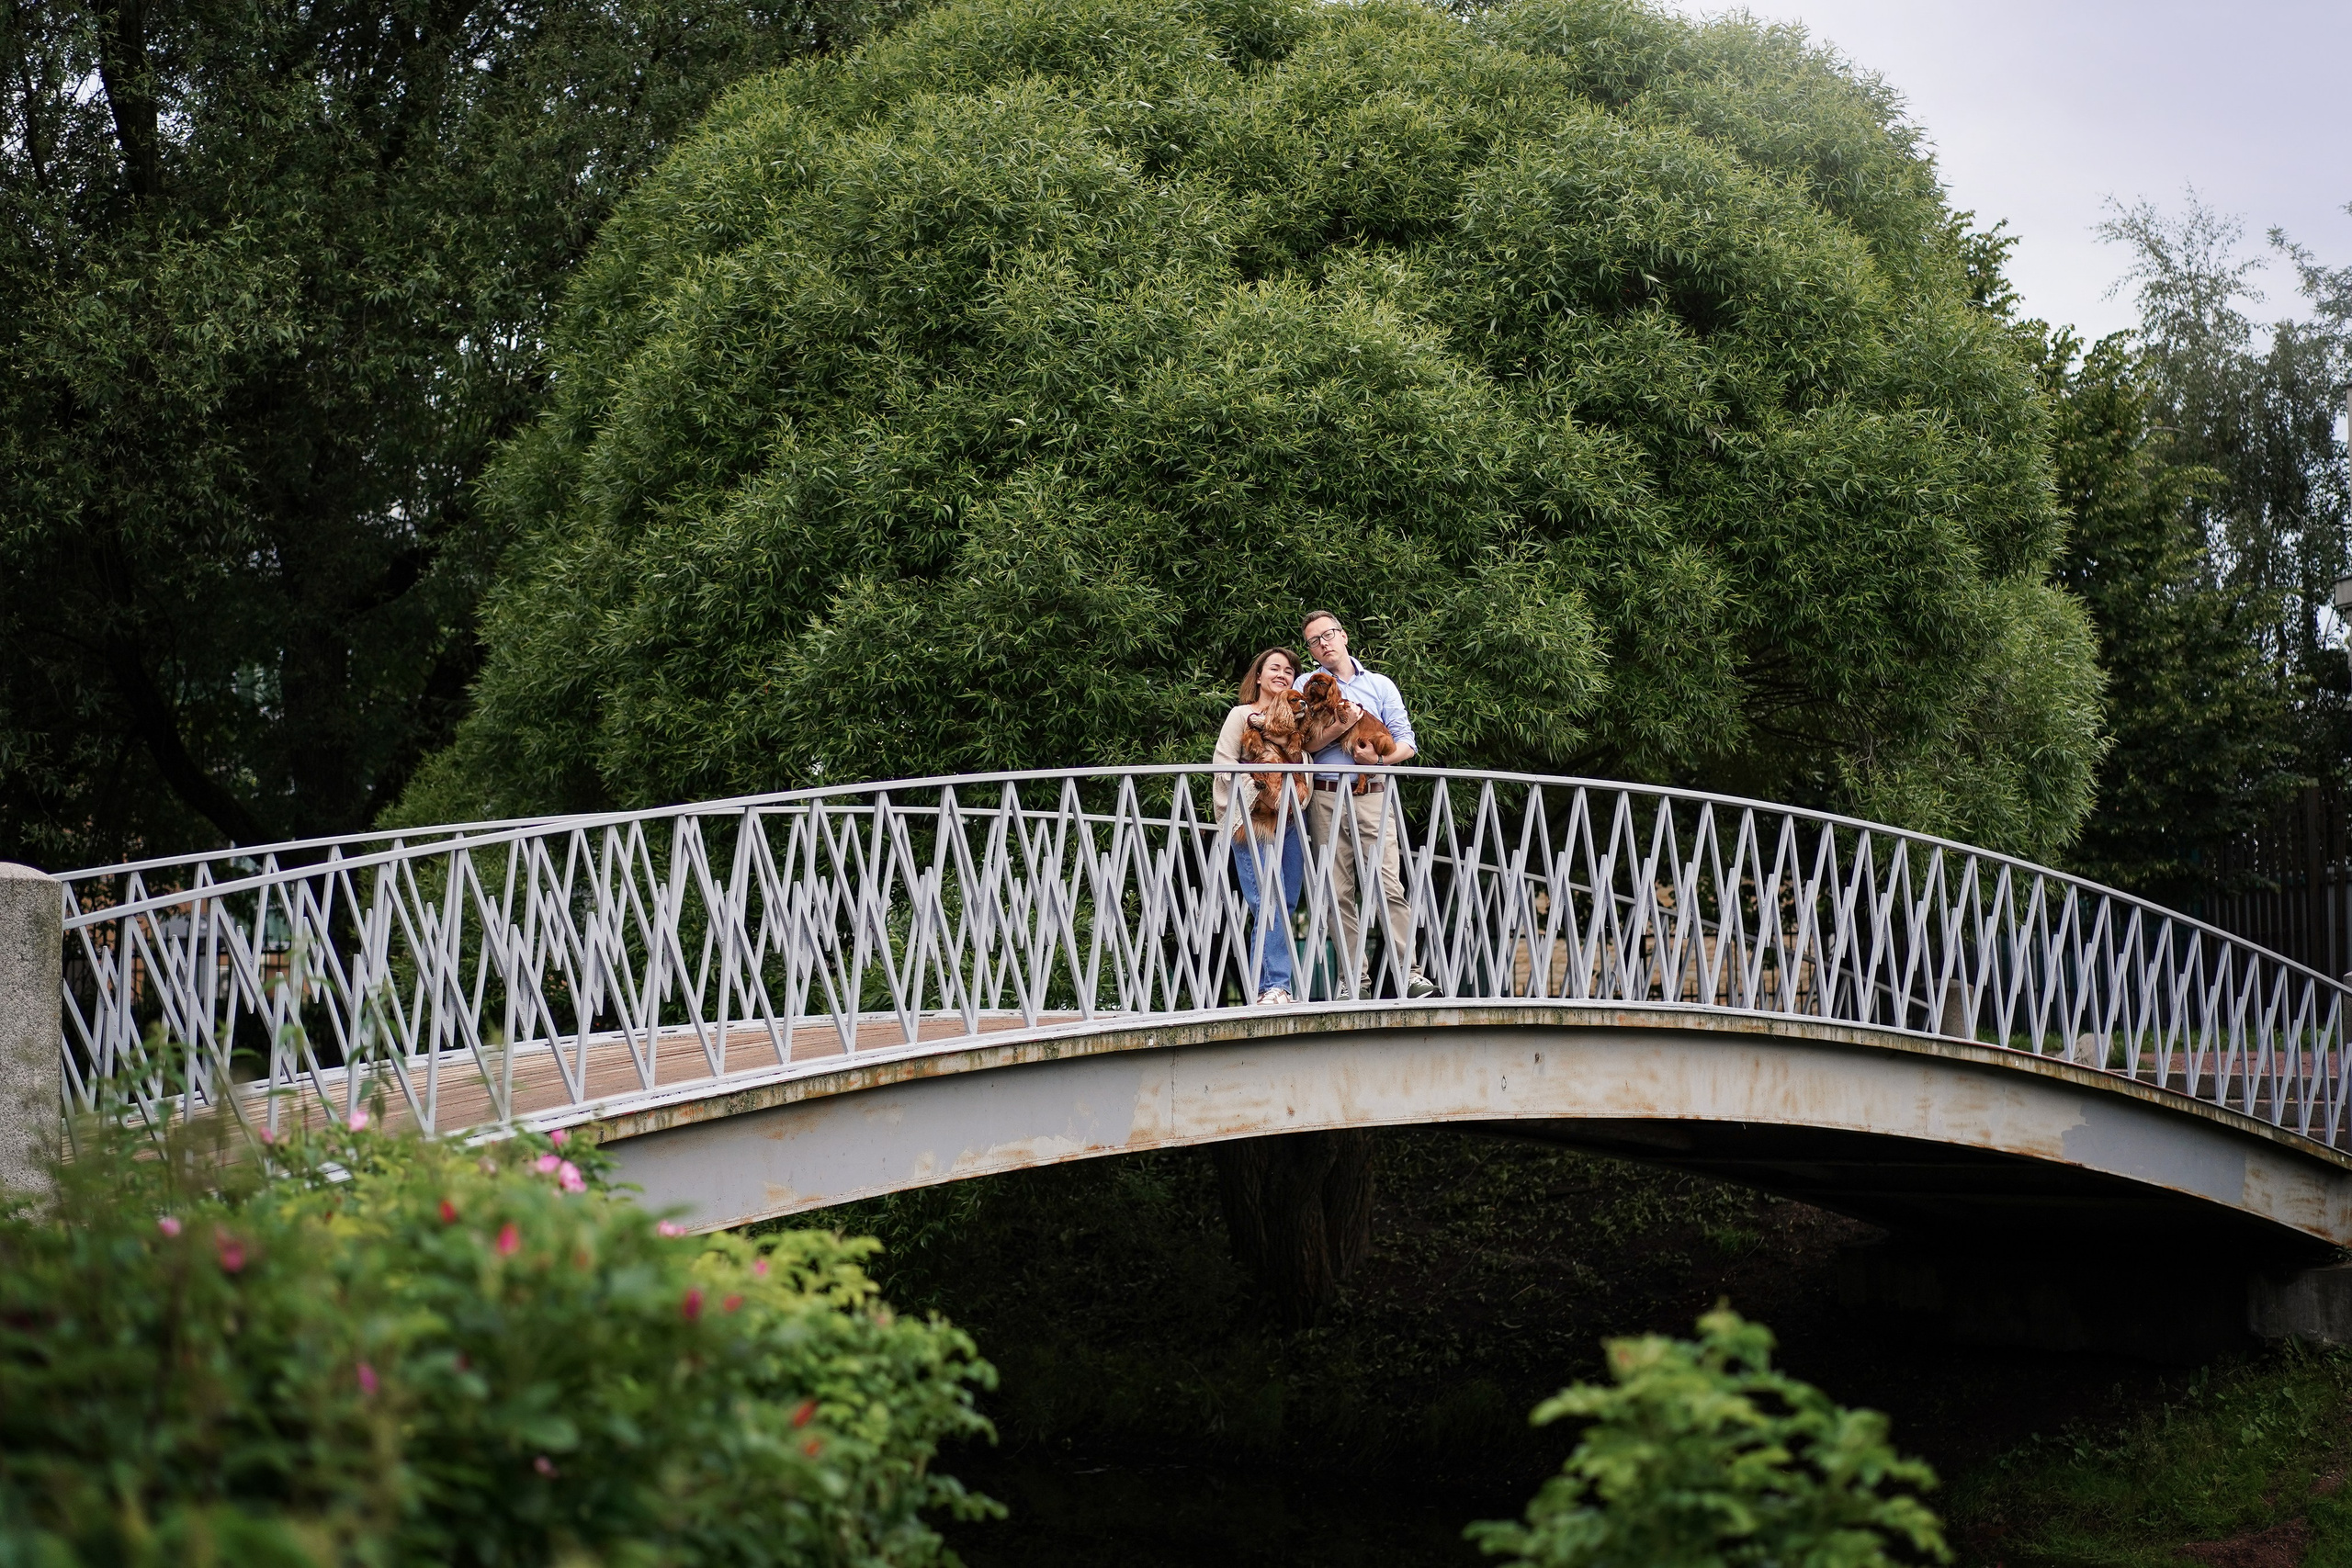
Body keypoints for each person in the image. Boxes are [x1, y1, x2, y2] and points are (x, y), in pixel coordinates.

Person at [1295, 611, 1437, 999]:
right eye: (1313, 641)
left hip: (1373, 792)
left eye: (1327, 635)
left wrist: (1378, 762)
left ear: (1343, 636)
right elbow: (1303, 744)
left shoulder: (1379, 684)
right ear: (1311, 651)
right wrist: (1341, 728)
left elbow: (1407, 742)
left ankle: (1409, 973)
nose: (1323, 644)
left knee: (1388, 883)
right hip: (1325, 795)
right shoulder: (1306, 685)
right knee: (1337, 891)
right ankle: (1352, 981)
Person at [1213, 646, 1311, 1006]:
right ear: (1258, 676)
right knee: (1266, 901)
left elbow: (1307, 765)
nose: (1282, 674)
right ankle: (1278, 986)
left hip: (1288, 820)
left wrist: (1292, 796)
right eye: (1275, 668)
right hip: (1252, 821)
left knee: (1285, 902)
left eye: (1289, 670)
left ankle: (1266, 987)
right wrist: (1261, 791)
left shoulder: (1298, 719)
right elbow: (1222, 766)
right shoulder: (1242, 715)